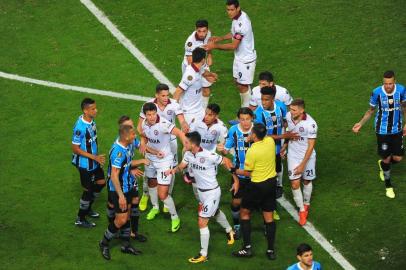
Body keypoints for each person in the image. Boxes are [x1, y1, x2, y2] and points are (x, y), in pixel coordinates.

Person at [166, 131, 237, 263]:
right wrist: (173, 170)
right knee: (215, 212)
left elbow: (227, 161)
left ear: (193, 144)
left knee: (202, 222)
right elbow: (182, 165)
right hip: (202, 192)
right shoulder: (188, 154)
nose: (184, 144)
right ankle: (229, 230)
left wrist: (236, 180)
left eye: (186, 142)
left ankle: (203, 254)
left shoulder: (209, 155)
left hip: (212, 192)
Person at [99, 125, 149, 260]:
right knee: (120, 220)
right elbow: (114, 175)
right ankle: (104, 243)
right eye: (133, 135)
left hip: (126, 187)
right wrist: (121, 196)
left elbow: (127, 164)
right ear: (126, 137)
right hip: (118, 189)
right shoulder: (118, 152)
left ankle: (126, 245)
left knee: (126, 217)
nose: (135, 136)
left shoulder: (126, 147)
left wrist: (142, 161)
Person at [352, 70, 406, 198]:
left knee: (398, 158)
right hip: (382, 131)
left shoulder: (401, 90)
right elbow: (371, 111)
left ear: (394, 82)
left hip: (397, 129)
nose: (388, 86)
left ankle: (382, 164)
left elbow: (404, 107)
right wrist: (360, 123)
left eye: (390, 83)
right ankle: (388, 186)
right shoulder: (377, 92)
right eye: (385, 83)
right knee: (386, 157)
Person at [137, 83, 187, 213]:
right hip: (152, 142)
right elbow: (139, 127)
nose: (166, 98)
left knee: (171, 168)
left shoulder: (174, 104)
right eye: (163, 95)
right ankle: (145, 194)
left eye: (167, 95)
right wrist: (143, 141)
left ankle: (166, 197)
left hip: (170, 141)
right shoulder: (148, 106)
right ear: (156, 95)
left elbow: (181, 120)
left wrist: (184, 124)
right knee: (149, 169)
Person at [231, 123, 278, 260]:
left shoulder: (252, 151)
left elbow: (247, 173)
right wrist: (251, 138)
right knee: (269, 217)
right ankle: (270, 250)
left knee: (244, 213)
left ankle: (247, 248)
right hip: (271, 184)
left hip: (257, 186)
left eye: (251, 133)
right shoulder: (270, 141)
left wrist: (233, 170)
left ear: (255, 136)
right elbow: (263, 136)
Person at [140, 102, 186, 232]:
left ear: (156, 113)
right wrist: (143, 143)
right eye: (149, 115)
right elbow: (143, 135)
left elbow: (178, 132)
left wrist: (185, 143)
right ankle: (155, 208)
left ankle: (175, 217)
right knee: (151, 182)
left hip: (164, 161)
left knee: (163, 194)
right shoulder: (144, 123)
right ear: (145, 115)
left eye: (154, 114)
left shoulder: (163, 124)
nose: (152, 117)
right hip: (151, 158)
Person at [203, 0, 256, 107]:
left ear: (238, 8)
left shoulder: (242, 23)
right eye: (228, 10)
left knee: (242, 85)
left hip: (246, 60)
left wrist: (215, 46)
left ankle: (246, 111)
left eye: (232, 10)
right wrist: (220, 38)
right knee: (237, 82)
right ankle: (250, 104)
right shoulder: (236, 18)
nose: (229, 12)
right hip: (239, 57)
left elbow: (233, 46)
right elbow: (233, 33)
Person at [217, 107, 253, 239]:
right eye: (242, 119)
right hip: (239, 172)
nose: (245, 122)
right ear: (238, 119)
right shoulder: (233, 131)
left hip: (256, 173)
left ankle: (266, 226)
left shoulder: (257, 130)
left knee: (258, 202)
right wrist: (222, 149)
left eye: (247, 119)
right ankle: (237, 225)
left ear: (252, 119)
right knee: (236, 202)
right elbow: (226, 151)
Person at [282, 99, 318, 226]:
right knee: (294, 183)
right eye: (290, 109)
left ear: (302, 110)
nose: (291, 112)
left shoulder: (311, 124)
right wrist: (285, 145)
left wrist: (303, 164)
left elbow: (310, 147)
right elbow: (289, 132)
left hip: (307, 156)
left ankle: (306, 203)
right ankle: (302, 211)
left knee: (307, 181)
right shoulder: (288, 116)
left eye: (294, 110)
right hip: (293, 155)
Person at [71, 98, 106, 228]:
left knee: (101, 183)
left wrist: (96, 158)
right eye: (93, 109)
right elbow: (75, 148)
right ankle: (80, 218)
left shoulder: (91, 121)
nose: (96, 110)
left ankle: (88, 208)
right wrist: (94, 157)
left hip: (94, 160)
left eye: (95, 108)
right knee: (88, 191)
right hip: (85, 164)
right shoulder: (80, 127)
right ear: (85, 111)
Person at [186, 103, 228, 201]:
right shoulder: (197, 121)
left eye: (210, 115)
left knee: (209, 180)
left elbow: (225, 142)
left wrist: (223, 149)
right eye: (206, 113)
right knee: (194, 178)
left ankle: (210, 200)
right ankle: (200, 201)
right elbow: (188, 136)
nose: (206, 117)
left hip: (210, 157)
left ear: (216, 116)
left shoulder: (221, 127)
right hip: (195, 154)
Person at [173, 47, 218, 126]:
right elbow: (177, 92)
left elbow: (204, 72)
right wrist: (175, 111)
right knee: (190, 136)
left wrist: (211, 75)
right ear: (203, 60)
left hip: (199, 109)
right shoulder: (190, 75)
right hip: (189, 112)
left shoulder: (198, 68)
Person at [182, 19, 214, 108]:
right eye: (199, 31)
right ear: (195, 29)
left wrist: (210, 55)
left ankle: (202, 112)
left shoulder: (209, 33)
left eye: (204, 31)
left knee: (206, 90)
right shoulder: (190, 42)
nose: (201, 34)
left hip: (202, 63)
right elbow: (191, 63)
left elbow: (209, 44)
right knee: (190, 89)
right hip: (190, 66)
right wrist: (206, 74)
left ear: (207, 30)